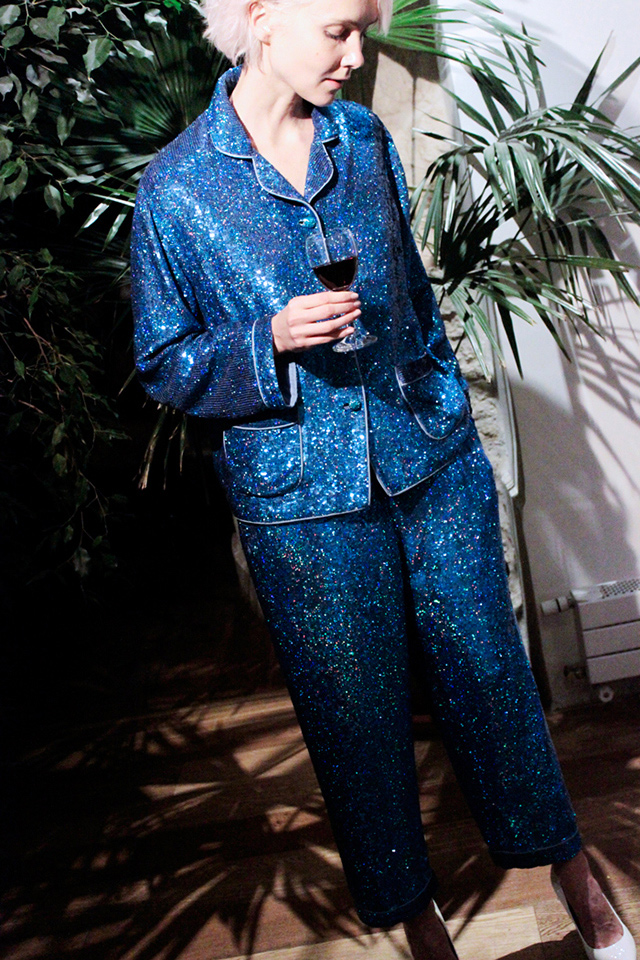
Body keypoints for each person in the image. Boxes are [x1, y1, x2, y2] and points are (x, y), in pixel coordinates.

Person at [130, 1, 636, 957]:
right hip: (301, 502)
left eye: (365, 28)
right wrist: (267, 339)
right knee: (355, 723)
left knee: (494, 679)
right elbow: (165, 363)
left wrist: (450, 422)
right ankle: (420, 927)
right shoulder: (178, 188)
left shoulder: (360, 140)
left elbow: (416, 301)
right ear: (262, 18)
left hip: (429, 461)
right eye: (341, 29)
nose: (359, 53)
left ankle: (578, 883)